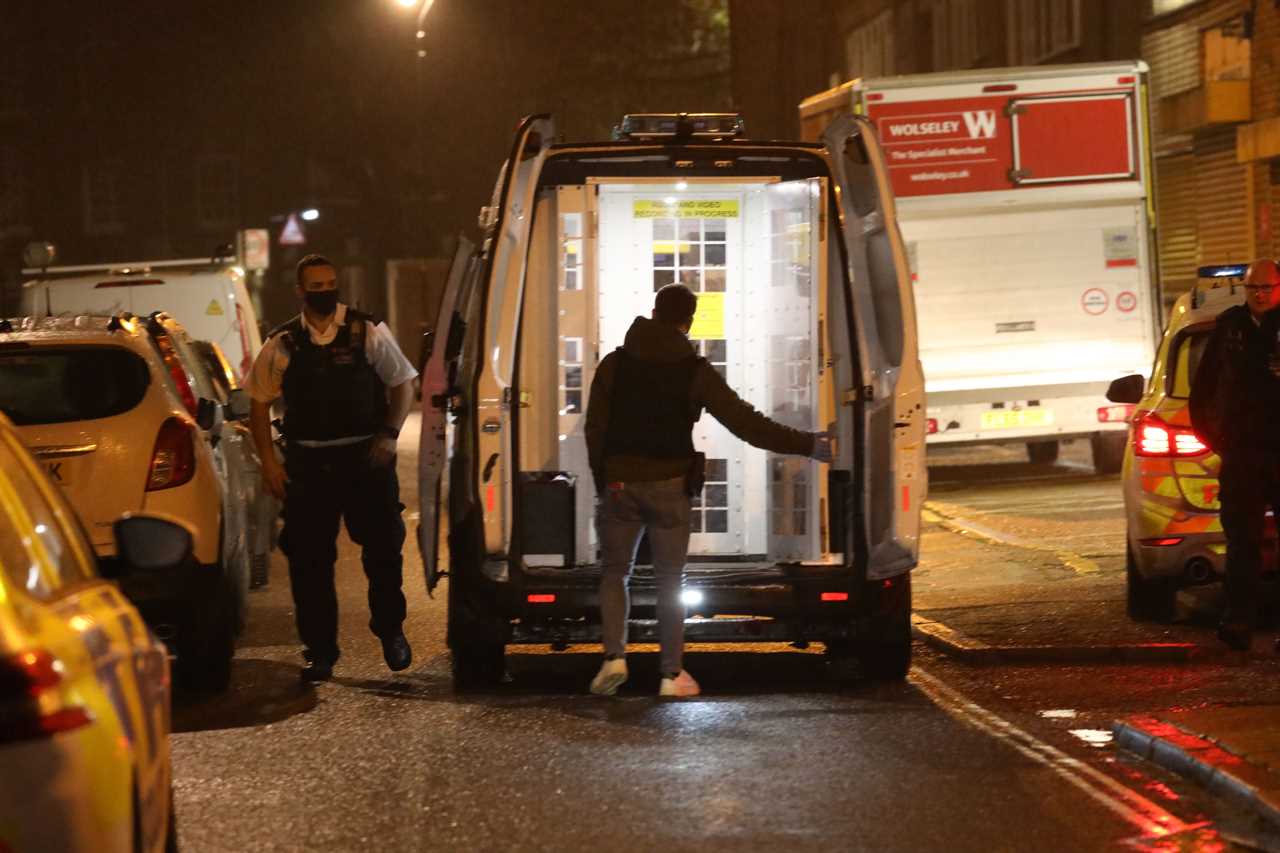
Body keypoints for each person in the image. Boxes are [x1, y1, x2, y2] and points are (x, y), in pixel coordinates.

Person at [584, 284, 833, 697]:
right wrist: (808, 444)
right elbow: (746, 423)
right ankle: (670, 674)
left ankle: (613, 658)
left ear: (653, 312)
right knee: (669, 580)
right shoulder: (693, 370)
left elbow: (595, 429)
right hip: (669, 486)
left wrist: (604, 480)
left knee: (615, 573)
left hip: (619, 484)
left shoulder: (614, 364)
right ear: (688, 321)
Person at [246, 254, 419, 681]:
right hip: (308, 463)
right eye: (316, 285)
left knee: (382, 551)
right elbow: (258, 402)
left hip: (365, 459)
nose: (325, 291)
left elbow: (403, 384)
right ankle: (320, 650)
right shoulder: (283, 343)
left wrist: (389, 436)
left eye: (331, 283)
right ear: (301, 291)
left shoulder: (366, 331)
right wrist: (269, 462)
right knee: (309, 562)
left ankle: (391, 629)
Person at [1189, 258, 1280, 652]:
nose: (1260, 296)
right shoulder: (1231, 327)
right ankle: (1238, 621)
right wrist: (1219, 440)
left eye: (1267, 288)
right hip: (1243, 453)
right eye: (1254, 289)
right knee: (1242, 541)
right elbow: (1205, 389)